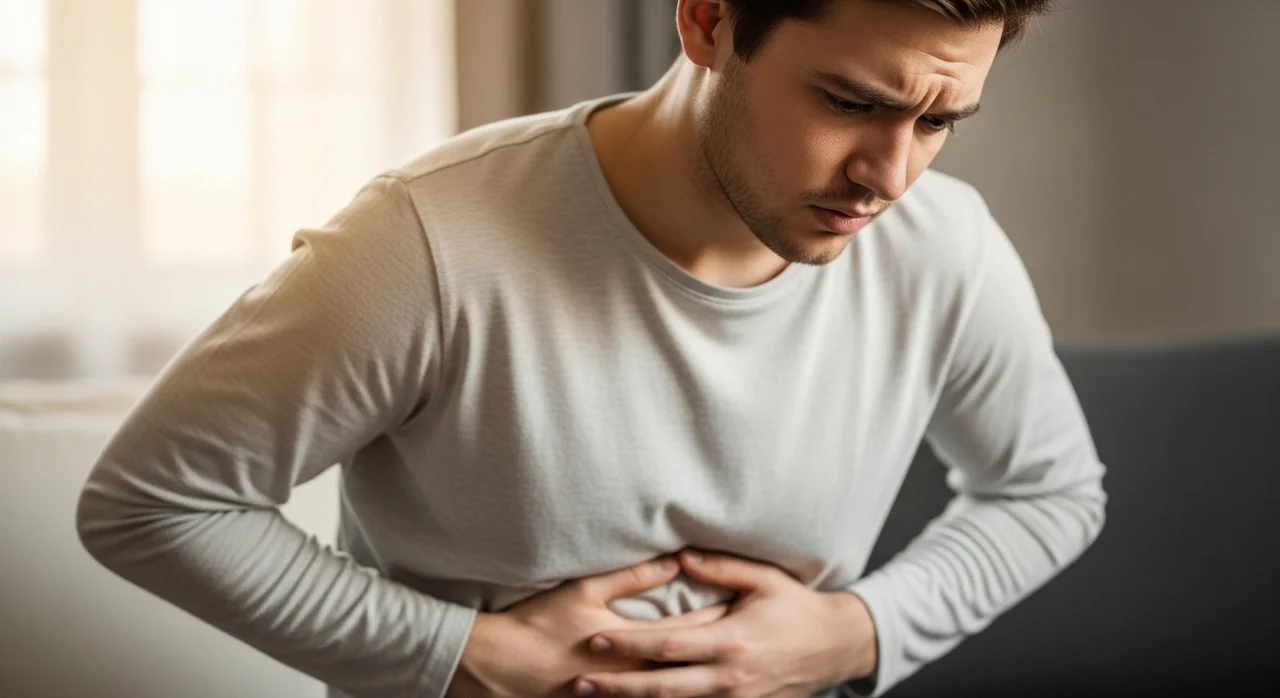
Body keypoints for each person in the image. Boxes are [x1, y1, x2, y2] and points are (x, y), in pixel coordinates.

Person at [76, 1, 1108, 697]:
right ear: (707, 19)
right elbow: (152, 501)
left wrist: (854, 632)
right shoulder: (425, 239)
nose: (888, 174)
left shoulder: (943, 243)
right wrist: (468, 655)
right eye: (851, 103)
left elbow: (1048, 489)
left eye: (938, 123)